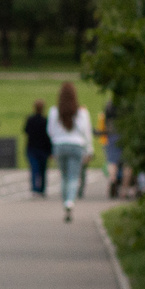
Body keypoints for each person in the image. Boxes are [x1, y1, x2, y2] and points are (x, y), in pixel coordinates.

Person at [50, 82, 95, 223]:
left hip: (60, 145)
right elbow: (86, 132)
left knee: (64, 176)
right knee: (74, 177)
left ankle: (65, 201)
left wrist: (55, 143)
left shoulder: (54, 111)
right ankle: (70, 201)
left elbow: (50, 131)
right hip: (76, 145)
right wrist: (89, 149)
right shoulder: (82, 112)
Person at [22, 100, 53, 197]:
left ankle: (35, 188)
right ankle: (42, 189)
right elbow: (49, 136)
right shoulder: (46, 121)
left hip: (32, 147)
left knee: (34, 169)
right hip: (43, 148)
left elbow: (26, 131)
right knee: (43, 170)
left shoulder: (30, 120)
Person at [103, 100, 126, 198]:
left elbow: (105, 122)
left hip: (112, 134)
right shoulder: (127, 105)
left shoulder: (109, 106)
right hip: (125, 134)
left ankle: (113, 179)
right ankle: (124, 188)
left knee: (112, 161)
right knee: (127, 162)